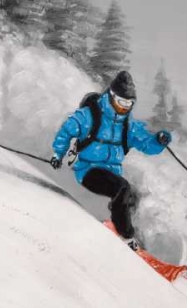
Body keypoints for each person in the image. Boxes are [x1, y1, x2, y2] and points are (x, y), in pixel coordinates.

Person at [50, 70, 172, 250]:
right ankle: (125, 237)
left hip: (112, 172)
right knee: (122, 189)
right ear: (111, 96)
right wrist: (57, 155)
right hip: (88, 170)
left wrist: (159, 140)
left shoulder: (127, 125)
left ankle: (133, 237)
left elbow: (146, 144)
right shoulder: (89, 115)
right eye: (122, 102)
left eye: (129, 104)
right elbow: (67, 130)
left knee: (133, 197)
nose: (125, 107)